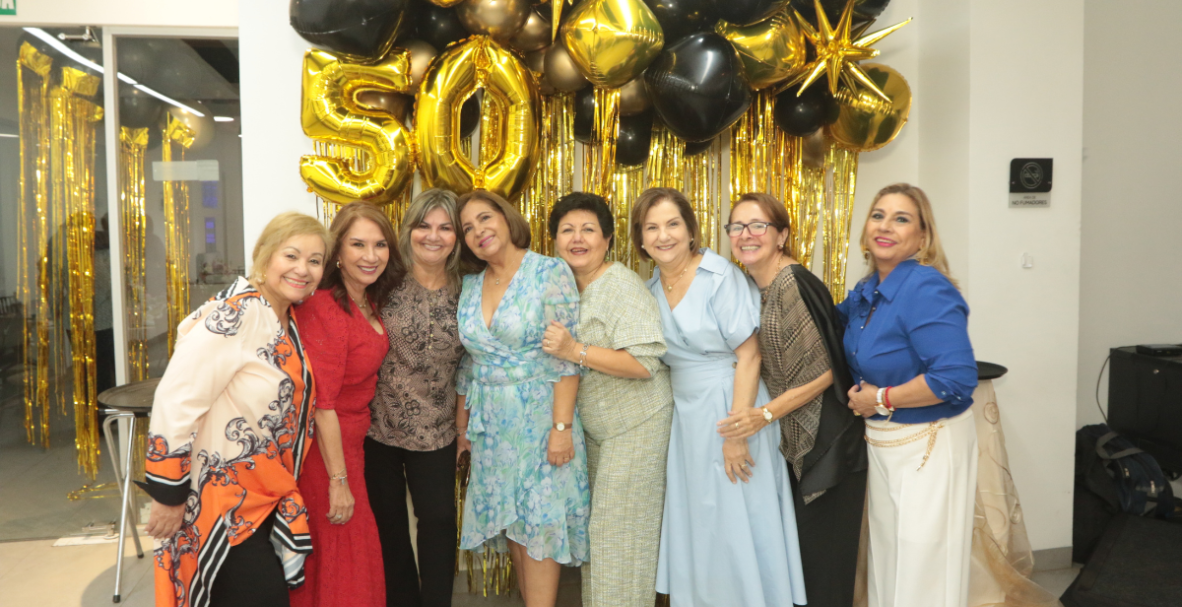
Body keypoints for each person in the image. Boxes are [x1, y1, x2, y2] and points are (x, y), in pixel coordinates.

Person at [142, 212, 329, 607]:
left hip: (260, 494)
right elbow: (176, 400)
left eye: (315, 261)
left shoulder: (281, 317)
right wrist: (167, 494)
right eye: (291, 255)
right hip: (218, 500)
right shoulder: (238, 314)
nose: (303, 269)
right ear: (264, 255)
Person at [633, 187, 806, 607]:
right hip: (688, 418)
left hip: (732, 405)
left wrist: (736, 433)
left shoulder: (720, 275)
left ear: (691, 230)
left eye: (673, 224)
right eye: (652, 227)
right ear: (640, 240)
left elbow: (749, 354)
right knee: (703, 522)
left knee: (737, 517)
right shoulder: (651, 286)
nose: (663, 235)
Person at [722, 193, 867, 607]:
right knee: (807, 567)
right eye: (738, 227)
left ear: (781, 234)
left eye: (758, 226)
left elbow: (826, 372)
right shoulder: (757, 284)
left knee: (824, 572)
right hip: (804, 441)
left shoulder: (792, 283)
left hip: (831, 447)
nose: (747, 235)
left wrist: (763, 414)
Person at [836, 183, 978, 607]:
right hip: (884, 445)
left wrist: (880, 400)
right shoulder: (866, 293)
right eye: (878, 215)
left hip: (930, 445)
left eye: (902, 219)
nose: (886, 226)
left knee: (922, 569)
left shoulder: (925, 288)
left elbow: (954, 378)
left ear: (922, 237)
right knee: (888, 561)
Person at [455, 189, 589, 607]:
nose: (478, 231)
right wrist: (464, 432)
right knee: (514, 528)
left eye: (484, 218)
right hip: (491, 429)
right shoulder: (471, 283)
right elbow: (470, 364)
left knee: (540, 528)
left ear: (505, 217)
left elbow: (567, 358)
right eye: (468, 228)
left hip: (540, 420)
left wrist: (561, 429)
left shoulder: (549, 271)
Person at [540, 193, 673, 607]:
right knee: (599, 540)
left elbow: (643, 362)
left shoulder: (620, 284)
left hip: (637, 426)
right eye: (567, 230)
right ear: (555, 241)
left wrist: (574, 350)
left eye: (588, 230)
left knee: (620, 542)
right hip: (597, 432)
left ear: (608, 239)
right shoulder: (565, 288)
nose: (577, 239)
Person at [291, 204, 403, 607]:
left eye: (379, 244)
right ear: (337, 250)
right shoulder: (325, 307)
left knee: (349, 555)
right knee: (340, 558)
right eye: (358, 244)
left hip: (352, 448)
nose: (370, 255)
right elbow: (322, 406)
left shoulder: (364, 298)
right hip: (326, 458)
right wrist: (338, 481)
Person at [366, 189, 467, 607]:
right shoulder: (383, 280)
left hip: (438, 432)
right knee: (389, 527)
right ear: (409, 230)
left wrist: (463, 430)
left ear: (457, 237)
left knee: (440, 522)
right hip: (377, 428)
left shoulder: (470, 290)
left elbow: (473, 368)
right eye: (424, 225)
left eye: (445, 227)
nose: (433, 236)